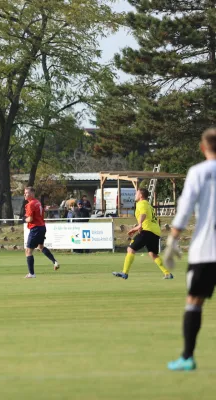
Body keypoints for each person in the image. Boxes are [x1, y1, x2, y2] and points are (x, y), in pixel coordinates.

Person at [163, 127, 216, 371]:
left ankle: (187, 356)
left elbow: (185, 207)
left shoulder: (198, 172)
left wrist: (173, 237)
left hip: (206, 250)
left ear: (202, 147)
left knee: (194, 302)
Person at [112, 188, 172, 280]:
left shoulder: (141, 203)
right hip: (155, 232)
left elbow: (143, 214)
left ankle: (125, 273)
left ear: (140, 195)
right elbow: (147, 218)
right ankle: (167, 273)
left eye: (136, 193)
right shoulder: (148, 204)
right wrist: (135, 228)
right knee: (153, 254)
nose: (135, 195)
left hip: (147, 231)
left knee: (130, 249)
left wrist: (139, 224)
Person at [23, 187, 59, 278]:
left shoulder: (30, 204)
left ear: (32, 194)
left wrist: (24, 219)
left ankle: (31, 273)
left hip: (35, 228)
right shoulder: (38, 202)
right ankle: (55, 262)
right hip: (42, 227)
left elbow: (30, 219)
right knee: (40, 246)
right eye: (25, 193)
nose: (25, 194)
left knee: (28, 251)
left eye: (27, 193)